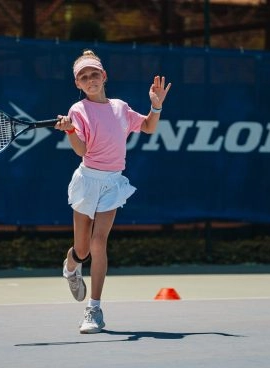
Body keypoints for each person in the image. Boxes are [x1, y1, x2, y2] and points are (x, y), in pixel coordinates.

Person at [54, 50, 171, 334]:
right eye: (84, 77)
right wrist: (70, 131)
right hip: (87, 181)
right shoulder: (77, 111)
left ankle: (94, 309)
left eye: (94, 74)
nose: (90, 79)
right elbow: (83, 150)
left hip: (112, 183)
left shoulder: (120, 107)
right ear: (78, 84)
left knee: (98, 243)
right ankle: (71, 266)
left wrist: (155, 107)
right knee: (82, 250)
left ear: (104, 76)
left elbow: (147, 127)